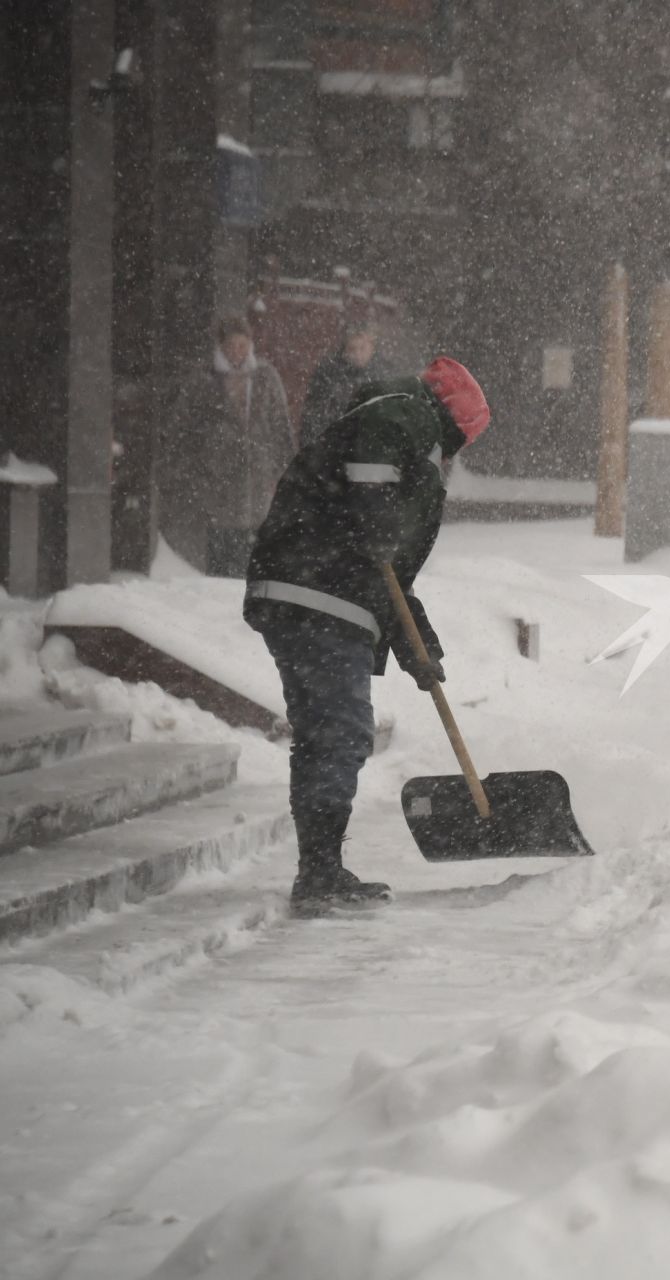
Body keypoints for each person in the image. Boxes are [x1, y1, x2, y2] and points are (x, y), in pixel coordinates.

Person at [243, 357, 490, 914]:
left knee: (326, 732)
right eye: (460, 444)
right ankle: (320, 873)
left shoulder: (408, 438)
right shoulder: (404, 415)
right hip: (317, 589)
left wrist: (416, 645)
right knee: (340, 730)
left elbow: (392, 576)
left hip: (318, 590)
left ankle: (320, 867)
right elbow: (373, 495)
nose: (454, 458)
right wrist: (377, 517)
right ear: (454, 426)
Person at [162, 314, 295, 575]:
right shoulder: (203, 380)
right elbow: (183, 429)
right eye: (232, 346)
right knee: (221, 550)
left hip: (257, 475)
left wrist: (287, 471)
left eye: (243, 345)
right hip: (217, 479)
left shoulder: (266, 377)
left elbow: (281, 427)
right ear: (221, 346)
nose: (237, 352)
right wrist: (196, 464)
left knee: (254, 550)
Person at [302, 319, 385, 443]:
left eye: (362, 348)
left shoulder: (383, 371)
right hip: (334, 443)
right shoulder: (328, 372)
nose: (357, 354)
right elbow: (314, 413)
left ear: (372, 348)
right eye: (352, 349)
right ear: (344, 350)